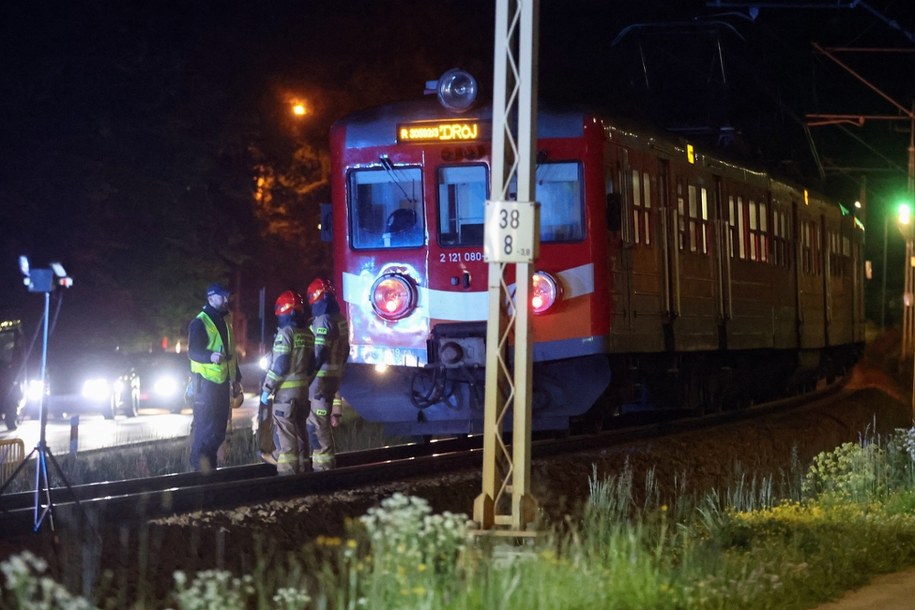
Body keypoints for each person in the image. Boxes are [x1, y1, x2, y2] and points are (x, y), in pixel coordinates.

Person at [187, 282, 242, 472]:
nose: (226, 300)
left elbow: (231, 355)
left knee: (219, 431)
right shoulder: (200, 322)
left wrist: (236, 380)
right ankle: (199, 473)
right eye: (222, 296)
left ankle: (210, 471)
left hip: (222, 383)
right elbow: (193, 351)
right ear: (211, 298)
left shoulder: (225, 321)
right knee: (205, 430)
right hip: (206, 384)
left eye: (227, 296)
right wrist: (209, 357)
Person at [259, 290, 315, 475]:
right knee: (301, 435)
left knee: (287, 437)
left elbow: (280, 365)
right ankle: (304, 471)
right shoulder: (308, 334)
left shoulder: (285, 333)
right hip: (303, 394)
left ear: (286, 312)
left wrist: (267, 388)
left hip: (285, 396)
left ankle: (288, 476)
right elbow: (313, 365)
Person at [305, 277, 349, 471]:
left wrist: (309, 373)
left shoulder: (323, 320)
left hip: (320, 379)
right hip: (334, 377)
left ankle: (323, 467)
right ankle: (323, 462)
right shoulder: (340, 319)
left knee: (316, 423)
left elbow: (320, 351)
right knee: (320, 421)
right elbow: (345, 350)